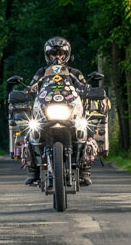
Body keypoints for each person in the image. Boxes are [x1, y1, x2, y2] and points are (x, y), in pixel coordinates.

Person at [23, 37, 95, 187]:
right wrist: (25, 93)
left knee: (87, 128)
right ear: (48, 55)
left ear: (66, 55)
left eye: (60, 53)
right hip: (45, 112)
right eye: (53, 54)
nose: (57, 57)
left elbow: (85, 87)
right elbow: (30, 88)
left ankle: (85, 169)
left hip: (70, 111)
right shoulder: (41, 73)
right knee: (30, 130)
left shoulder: (74, 72)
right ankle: (32, 170)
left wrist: (91, 91)